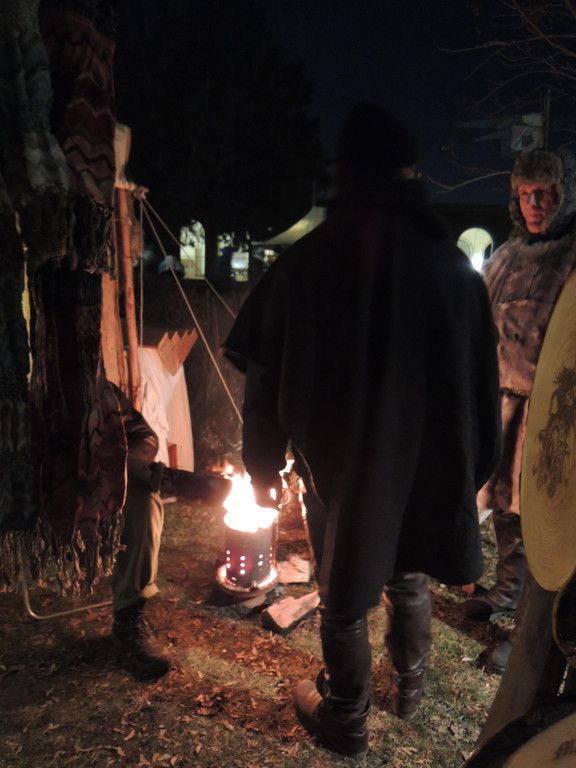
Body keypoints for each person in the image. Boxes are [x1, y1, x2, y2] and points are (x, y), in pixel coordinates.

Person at [223, 102, 501, 757]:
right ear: (409, 173)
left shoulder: (308, 261)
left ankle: (348, 713)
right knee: (406, 567)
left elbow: (263, 379)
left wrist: (262, 469)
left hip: (337, 464)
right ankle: (409, 687)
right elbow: (480, 386)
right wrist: (472, 469)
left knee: (343, 584)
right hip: (422, 460)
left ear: (345, 171)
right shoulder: (450, 269)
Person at [464, 148, 576, 673]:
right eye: (525, 193)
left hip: (555, 415)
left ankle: (530, 635)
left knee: (545, 522)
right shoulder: (506, 256)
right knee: (505, 507)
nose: (534, 203)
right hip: (502, 404)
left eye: (544, 193)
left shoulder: (573, 255)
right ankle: (508, 589)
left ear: (563, 195)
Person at [110, 384, 171, 680]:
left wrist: (130, 460)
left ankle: (128, 618)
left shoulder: (100, 392)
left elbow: (142, 433)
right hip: (45, 488)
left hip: (104, 480)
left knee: (145, 500)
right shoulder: (21, 389)